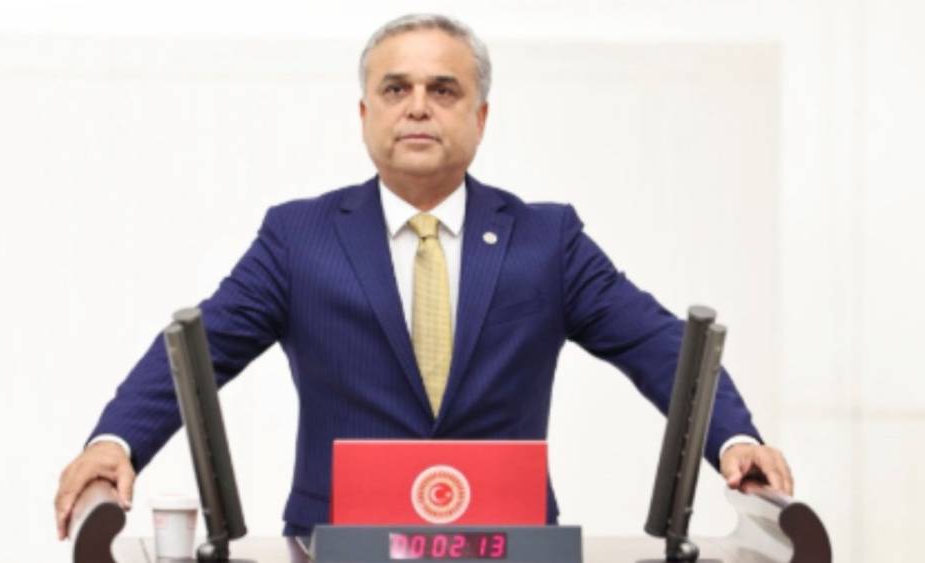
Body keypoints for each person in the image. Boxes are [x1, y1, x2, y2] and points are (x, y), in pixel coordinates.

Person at [55, 13, 793, 540]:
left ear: (481, 116)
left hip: (508, 544)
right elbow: (199, 350)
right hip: (334, 544)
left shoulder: (548, 240)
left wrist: (735, 440)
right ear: (364, 112)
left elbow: (658, 344)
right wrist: (114, 442)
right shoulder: (298, 238)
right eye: (395, 89)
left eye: (443, 90)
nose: (417, 107)